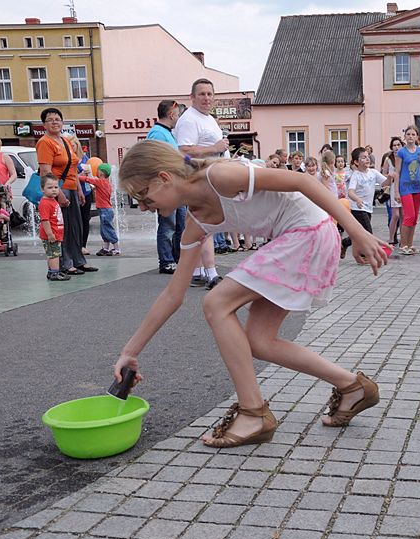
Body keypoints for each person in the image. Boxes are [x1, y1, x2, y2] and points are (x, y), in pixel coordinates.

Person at [113, 140, 388, 447]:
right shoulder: (194, 223)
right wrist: (131, 351)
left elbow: (300, 180)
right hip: (296, 237)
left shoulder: (220, 176)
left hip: (308, 231)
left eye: (141, 195)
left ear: (163, 178)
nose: (141, 206)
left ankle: (253, 412)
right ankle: (352, 387)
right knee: (259, 341)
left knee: (216, 302)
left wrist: (358, 231)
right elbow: (172, 295)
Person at [174, 79, 229, 289]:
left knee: (199, 225)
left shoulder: (207, 118)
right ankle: (211, 273)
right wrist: (214, 148)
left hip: (210, 176)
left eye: (209, 94)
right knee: (205, 224)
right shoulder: (190, 120)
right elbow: (184, 151)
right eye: (202, 94)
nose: (207, 98)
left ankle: (197, 271)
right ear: (192, 97)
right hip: (198, 177)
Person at [36, 108, 98, 275]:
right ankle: (65, 263)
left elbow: (72, 167)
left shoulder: (65, 141)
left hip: (71, 188)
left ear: (62, 122)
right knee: (62, 228)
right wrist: (60, 195)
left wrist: (79, 190)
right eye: (50, 119)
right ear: (44, 125)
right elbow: (46, 172)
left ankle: (78, 260)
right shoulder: (45, 142)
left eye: (57, 119)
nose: (55, 122)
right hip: (59, 190)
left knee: (75, 228)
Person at [147, 100, 186, 274]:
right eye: (177, 114)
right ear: (171, 114)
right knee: (168, 225)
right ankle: (166, 261)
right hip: (167, 187)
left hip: (177, 187)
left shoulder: (167, 133)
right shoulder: (157, 133)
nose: (178, 118)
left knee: (180, 225)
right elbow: (154, 161)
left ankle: (177, 258)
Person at [342, 147, 390, 256]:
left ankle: (344, 243)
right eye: (363, 158)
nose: (367, 159)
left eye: (367, 157)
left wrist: (391, 177)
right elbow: (350, 192)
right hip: (357, 208)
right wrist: (357, 199)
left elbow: (385, 183)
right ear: (356, 162)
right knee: (368, 233)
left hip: (368, 208)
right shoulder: (356, 175)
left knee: (360, 233)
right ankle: (366, 256)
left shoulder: (373, 172)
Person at [395, 125, 420, 255]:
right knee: (409, 215)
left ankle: (410, 244)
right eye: (408, 134)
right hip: (405, 187)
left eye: (413, 134)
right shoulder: (401, 152)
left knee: (414, 218)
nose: (411, 137)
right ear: (405, 137)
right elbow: (397, 172)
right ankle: (403, 245)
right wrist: (396, 191)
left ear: (417, 137)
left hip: (417, 187)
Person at [80, 163, 120, 256]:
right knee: (104, 230)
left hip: (105, 210)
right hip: (105, 209)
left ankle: (116, 248)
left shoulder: (100, 182)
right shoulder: (106, 183)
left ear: (101, 173)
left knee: (108, 229)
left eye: (97, 170)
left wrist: (77, 177)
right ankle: (106, 248)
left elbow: (87, 179)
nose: (96, 172)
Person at [38, 174, 68, 281]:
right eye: (50, 188)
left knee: (53, 253)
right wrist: (50, 234)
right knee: (54, 254)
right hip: (51, 234)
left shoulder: (52, 200)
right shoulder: (45, 203)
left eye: (56, 187)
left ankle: (52, 271)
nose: (54, 190)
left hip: (56, 233)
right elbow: (45, 220)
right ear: (42, 189)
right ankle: (55, 273)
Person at [380, 137, 404, 246]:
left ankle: (404, 239)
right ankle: (391, 238)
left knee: (403, 215)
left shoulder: (404, 156)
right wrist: (389, 176)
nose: (396, 147)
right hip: (394, 187)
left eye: (398, 145)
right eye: (394, 145)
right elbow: (383, 174)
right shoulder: (388, 159)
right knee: (395, 215)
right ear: (391, 147)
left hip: (404, 187)